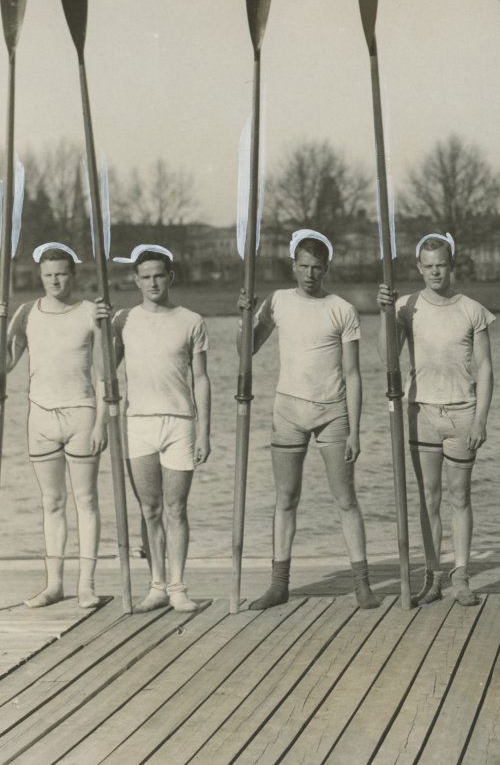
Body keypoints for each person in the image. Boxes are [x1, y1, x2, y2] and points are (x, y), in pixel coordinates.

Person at [238, 229, 379, 610]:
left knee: (346, 498)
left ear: (327, 268)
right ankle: (278, 584)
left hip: (333, 413)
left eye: (317, 267)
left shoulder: (342, 309)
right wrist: (245, 318)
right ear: (293, 266)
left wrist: (355, 429)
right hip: (288, 411)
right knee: (286, 498)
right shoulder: (277, 302)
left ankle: (362, 583)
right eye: (303, 266)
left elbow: (353, 374)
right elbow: (246, 351)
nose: (310, 274)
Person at [376, 232, 493, 607]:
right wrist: (384, 314)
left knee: (460, 496)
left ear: (451, 265)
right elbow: (387, 357)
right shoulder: (407, 306)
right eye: (428, 267)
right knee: (429, 496)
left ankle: (461, 575)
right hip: (422, 410)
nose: (435, 272)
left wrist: (480, 420)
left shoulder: (471, 309)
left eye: (441, 265)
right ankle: (433, 574)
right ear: (419, 268)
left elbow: (487, 369)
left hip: (462, 411)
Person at [95, 245, 210, 612]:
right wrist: (101, 328)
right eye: (145, 277)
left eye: (159, 275)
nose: (153, 283)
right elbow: (106, 371)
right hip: (139, 423)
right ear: (135, 280)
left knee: (176, 508)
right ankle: (157, 585)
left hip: (179, 423)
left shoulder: (191, 320)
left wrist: (205, 431)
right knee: (150, 509)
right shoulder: (123, 320)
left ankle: (178, 587)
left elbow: (203, 380)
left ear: (170, 277)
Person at [5, 243, 106, 609]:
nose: (54, 281)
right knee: (52, 503)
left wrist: (101, 423)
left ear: (73, 275)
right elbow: (5, 366)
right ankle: (54, 584)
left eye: (61, 273)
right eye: (48, 275)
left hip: (81, 414)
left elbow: (103, 372)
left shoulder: (90, 312)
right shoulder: (27, 312)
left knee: (87, 500)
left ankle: (87, 585)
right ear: (40, 277)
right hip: (41, 416)